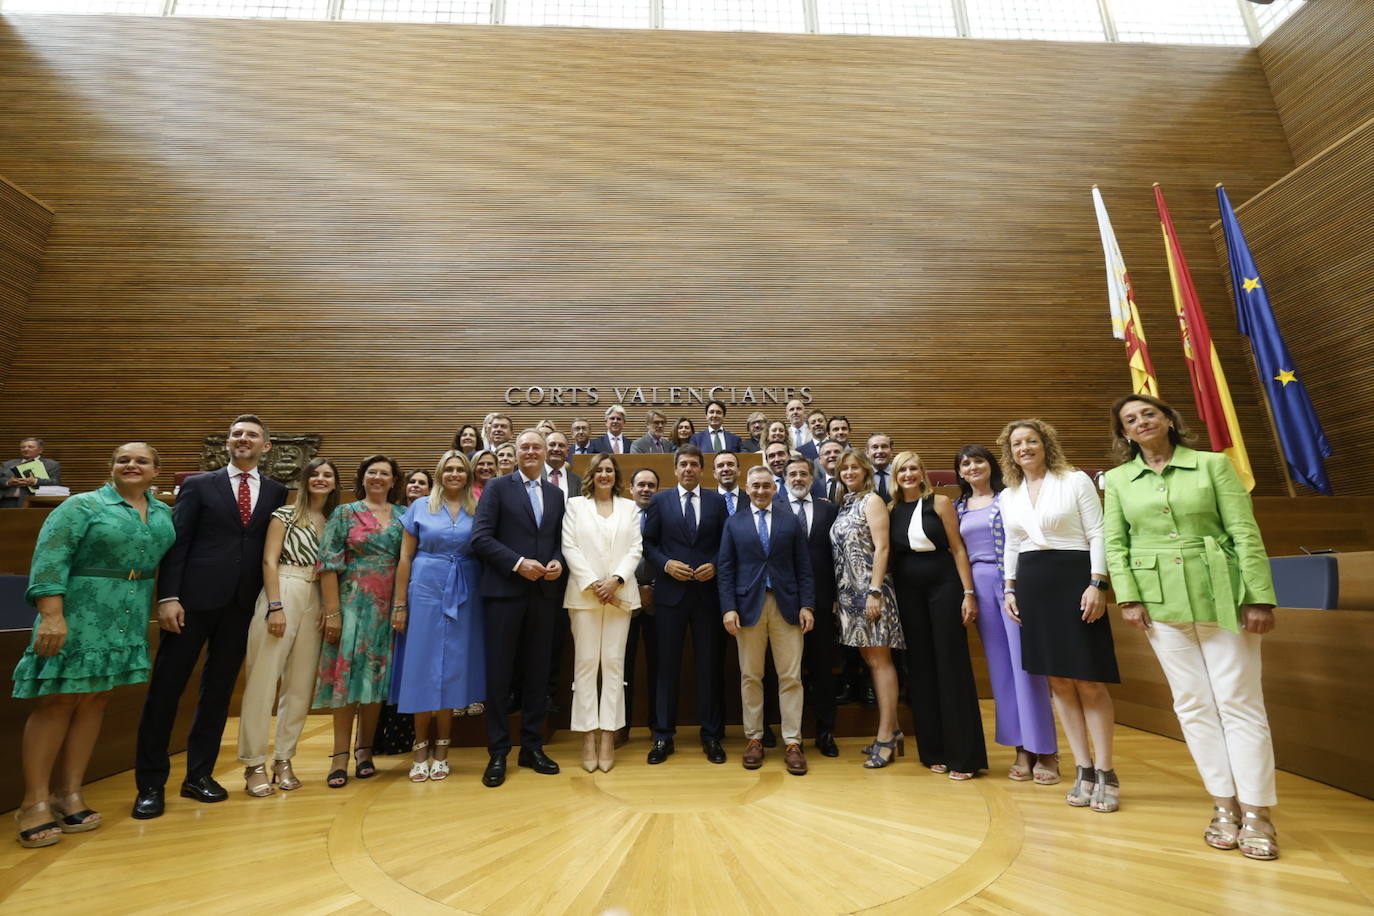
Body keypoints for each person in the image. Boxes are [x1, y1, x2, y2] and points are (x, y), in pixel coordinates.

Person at [1104, 394, 1280, 859]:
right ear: (1124, 433)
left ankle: (1258, 812)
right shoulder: (1119, 480)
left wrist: (1258, 595)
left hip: (1224, 593)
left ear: (1168, 420)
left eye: (1148, 413)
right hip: (1158, 602)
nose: (1141, 421)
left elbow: (1244, 531)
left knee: (1239, 702)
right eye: (1130, 419)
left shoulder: (1211, 466)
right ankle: (1224, 805)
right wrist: (1128, 597)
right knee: (1193, 705)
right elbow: (1115, 542)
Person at [14, 443, 173, 846]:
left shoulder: (163, 513)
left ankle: (68, 794)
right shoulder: (81, 506)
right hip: (78, 612)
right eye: (123, 459)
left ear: (156, 470)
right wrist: (51, 615)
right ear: (111, 467)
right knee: (59, 700)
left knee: (96, 698)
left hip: (127, 616)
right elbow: (50, 558)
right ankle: (33, 802)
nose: (132, 465)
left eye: (141, 460)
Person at [134, 415, 287, 820]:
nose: (243, 439)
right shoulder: (199, 485)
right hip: (191, 603)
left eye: (252, 435)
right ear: (228, 443)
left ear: (265, 446)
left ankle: (198, 776)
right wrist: (168, 597)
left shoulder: (276, 491)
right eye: (237, 434)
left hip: (240, 607)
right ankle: (150, 784)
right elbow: (176, 543)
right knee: (166, 691)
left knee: (217, 694)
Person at [1000, 418, 1119, 812]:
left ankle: (1106, 770)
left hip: (1075, 579)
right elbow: (1014, 544)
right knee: (1059, 682)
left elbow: (1098, 532)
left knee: (1087, 679)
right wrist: (1010, 587)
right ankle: (1083, 768)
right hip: (1033, 586)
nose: (1025, 448)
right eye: (1017, 444)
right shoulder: (1010, 493)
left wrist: (1097, 583)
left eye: (1031, 441)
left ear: (1045, 444)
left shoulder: (1074, 480)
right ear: (1011, 452)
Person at [954, 445, 1058, 785]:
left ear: (991, 465)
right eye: (965, 464)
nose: (972, 467)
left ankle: (1045, 749)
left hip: (1014, 583)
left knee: (1027, 667)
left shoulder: (1011, 497)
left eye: (978, 461)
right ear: (960, 472)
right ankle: (1020, 748)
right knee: (1001, 671)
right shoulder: (958, 507)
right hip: (980, 588)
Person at [236, 458, 339, 797]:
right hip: (284, 587)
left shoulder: (332, 521)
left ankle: (284, 758)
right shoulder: (284, 515)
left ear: (335, 483)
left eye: (328, 475)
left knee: (299, 685)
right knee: (264, 680)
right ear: (304, 480)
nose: (321, 479)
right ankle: (253, 763)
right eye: (315, 474)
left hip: (317, 595)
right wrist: (275, 607)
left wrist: (328, 607)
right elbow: (269, 559)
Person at [471, 429, 566, 787]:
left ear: (546, 454)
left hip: (544, 596)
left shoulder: (556, 495)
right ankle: (498, 752)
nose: (530, 452)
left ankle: (532, 747)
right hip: (504, 594)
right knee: (500, 676)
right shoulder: (497, 488)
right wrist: (518, 563)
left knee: (538, 674)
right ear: (516, 451)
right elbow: (480, 538)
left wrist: (556, 561)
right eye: (524, 447)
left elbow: (556, 541)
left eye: (536, 447)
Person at [889, 450, 986, 780]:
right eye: (902, 470)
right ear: (895, 475)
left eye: (913, 468)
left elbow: (958, 548)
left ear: (923, 472)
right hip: (908, 591)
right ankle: (933, 751)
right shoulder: (890, 510)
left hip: (944, 585)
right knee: (920, 668)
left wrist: (968, 593)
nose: (908, 474)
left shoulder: (941, 503)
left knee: (950, 664)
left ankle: (964, 756)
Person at [389, 451, 485, 783]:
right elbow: (404, 558)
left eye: (461, 469)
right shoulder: (419, 507)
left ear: (468, 475)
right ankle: (419, 748)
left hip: (465, 592)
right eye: (449, 469)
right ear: (440, 473)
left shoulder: (478, 508)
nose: (455, 474)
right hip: (425, 588)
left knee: (453, 668)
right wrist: (400, 604)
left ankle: (442, 749)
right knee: (422, 666)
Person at [313, 455, 406, 789]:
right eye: (372, 473)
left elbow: (408, 562)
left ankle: (364, 750)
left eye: (385, 473)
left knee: (376, 680)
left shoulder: (404, 516)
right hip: (352, 603)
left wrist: (401, 605)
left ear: (394, 480)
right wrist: (333, 612)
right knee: (347, 679)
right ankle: (339, 755)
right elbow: (328, 564)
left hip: (389, 606)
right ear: (363, 478)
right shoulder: (344, 513)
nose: (378, 478)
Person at [719, 466, 814, 775]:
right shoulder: (734, 523)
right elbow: (726, 569)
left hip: (786, 606)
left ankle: (792, 743)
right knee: (751, 676)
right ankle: (754, 739)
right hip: (748, 608)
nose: (760, 491)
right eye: (755, 486)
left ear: (775, 489)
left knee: (791, 677)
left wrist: (807, 605)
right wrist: (728, 608)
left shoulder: (790, 521)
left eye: (766, 486)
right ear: (747, 489)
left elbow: (803, 566)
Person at [642, 444, 728, 764]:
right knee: (666, 667)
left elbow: (726, 542)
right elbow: (648, 543)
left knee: (709, 666)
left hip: (707, 596)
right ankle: (663, 735)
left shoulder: (717, 502)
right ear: (675, 470)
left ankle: (711, 736)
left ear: (702, 470)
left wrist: (716, 564)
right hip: (670, 595)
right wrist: (666, 565)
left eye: (694, 464)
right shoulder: (660, 501)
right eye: (683, 465)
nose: (689, 469)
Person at [560, 454, 643, 772]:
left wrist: (615, 580)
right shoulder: (575, 506)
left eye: (609, 470)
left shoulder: (629, 507)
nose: (604, 474)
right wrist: (594, 583)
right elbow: (569, 547)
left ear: (616, 475)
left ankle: (608, 736)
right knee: (585, 666)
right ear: (591, 475)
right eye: (599, 470)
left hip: (620, 595)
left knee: (613, 665)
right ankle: (587, 737)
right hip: (585, 596)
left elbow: (635, 548)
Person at [830, 450, 904, 768]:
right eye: (843, 468)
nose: (848, 472)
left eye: (854, 468)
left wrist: (874, 591)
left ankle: (885, 737)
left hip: (870, 592)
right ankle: (895, 729)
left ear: (865, 472)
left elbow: (883, 546)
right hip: (849, 595)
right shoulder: (844, 502)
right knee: (870, 660)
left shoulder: (872, 500)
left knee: (880, 661)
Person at [780, 457, 839, 756]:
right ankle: (789, 734)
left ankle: (825, 731)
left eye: (803, 473)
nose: (798, 478)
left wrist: (835, 597)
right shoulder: (774, 509)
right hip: (782, 604)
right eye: (792, 474)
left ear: (812, 477)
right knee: (786, 671)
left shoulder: (829, 508)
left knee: (821, 667)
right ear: (784, 478)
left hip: (821, 601)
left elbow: (837, 558)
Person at [622, 467, 660, 745]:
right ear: (630, 489)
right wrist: (635, 589)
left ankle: (658, 727)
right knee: (622, 667)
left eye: (651, 485)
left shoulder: (666, 515)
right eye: (641, 484)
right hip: (624, 599)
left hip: (660, 600)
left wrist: (653, 588)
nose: (646, 489)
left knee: (659, 668)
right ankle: (620, 727)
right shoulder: (619, 517)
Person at [2, 437, 63, 508]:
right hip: (7, 501)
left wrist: (35, 481)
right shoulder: (8, 464)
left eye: (30, 447)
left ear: (40, 450)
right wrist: (8, 482)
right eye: (23, 447)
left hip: (34, 502)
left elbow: (55, 482)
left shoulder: (51, 464)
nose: (25, 449)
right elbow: (1, 479)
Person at [714, 452, 744, 517]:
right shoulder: (707, 501)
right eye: (720, 466)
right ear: (714, 474)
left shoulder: (751, 499)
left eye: (730, 464)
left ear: (739, 471)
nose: (726, 469)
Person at [866, 434, 894, 501]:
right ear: (867, 452)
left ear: (891, 451)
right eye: (875, 447)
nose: (880, 451)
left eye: (884, 447)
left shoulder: (900, 473)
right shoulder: (862, 475)